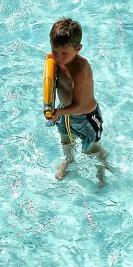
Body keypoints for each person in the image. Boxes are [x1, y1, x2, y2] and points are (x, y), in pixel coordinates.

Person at [44, 18, 112, 187]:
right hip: (65, 112)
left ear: (78, 49)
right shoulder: (56, 62)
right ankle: (69, 161)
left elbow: (80, 105)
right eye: (54, 51)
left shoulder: (81, 69)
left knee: (92, 150)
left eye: (64, 53)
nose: (58, 57)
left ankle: (102, 173)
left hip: (86, 117)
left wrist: (59, 112)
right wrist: (50, 107)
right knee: (65, 139)